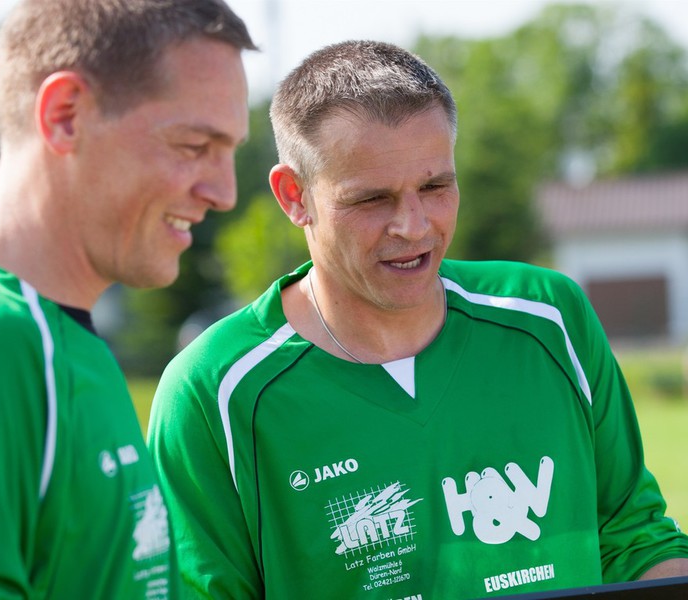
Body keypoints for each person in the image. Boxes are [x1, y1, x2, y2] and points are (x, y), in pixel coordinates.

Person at [147, 40, 688, 599]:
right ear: (294, 196)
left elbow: (634, 539)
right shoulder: (213, 392)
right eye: (371, 199)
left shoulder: (549, 317)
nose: (413, 226)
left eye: (434, 187)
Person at [0, 0, 254, 598]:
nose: (224, 192)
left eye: (231, 150)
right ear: (65, 116)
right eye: (195, 145)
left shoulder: (50, 332)